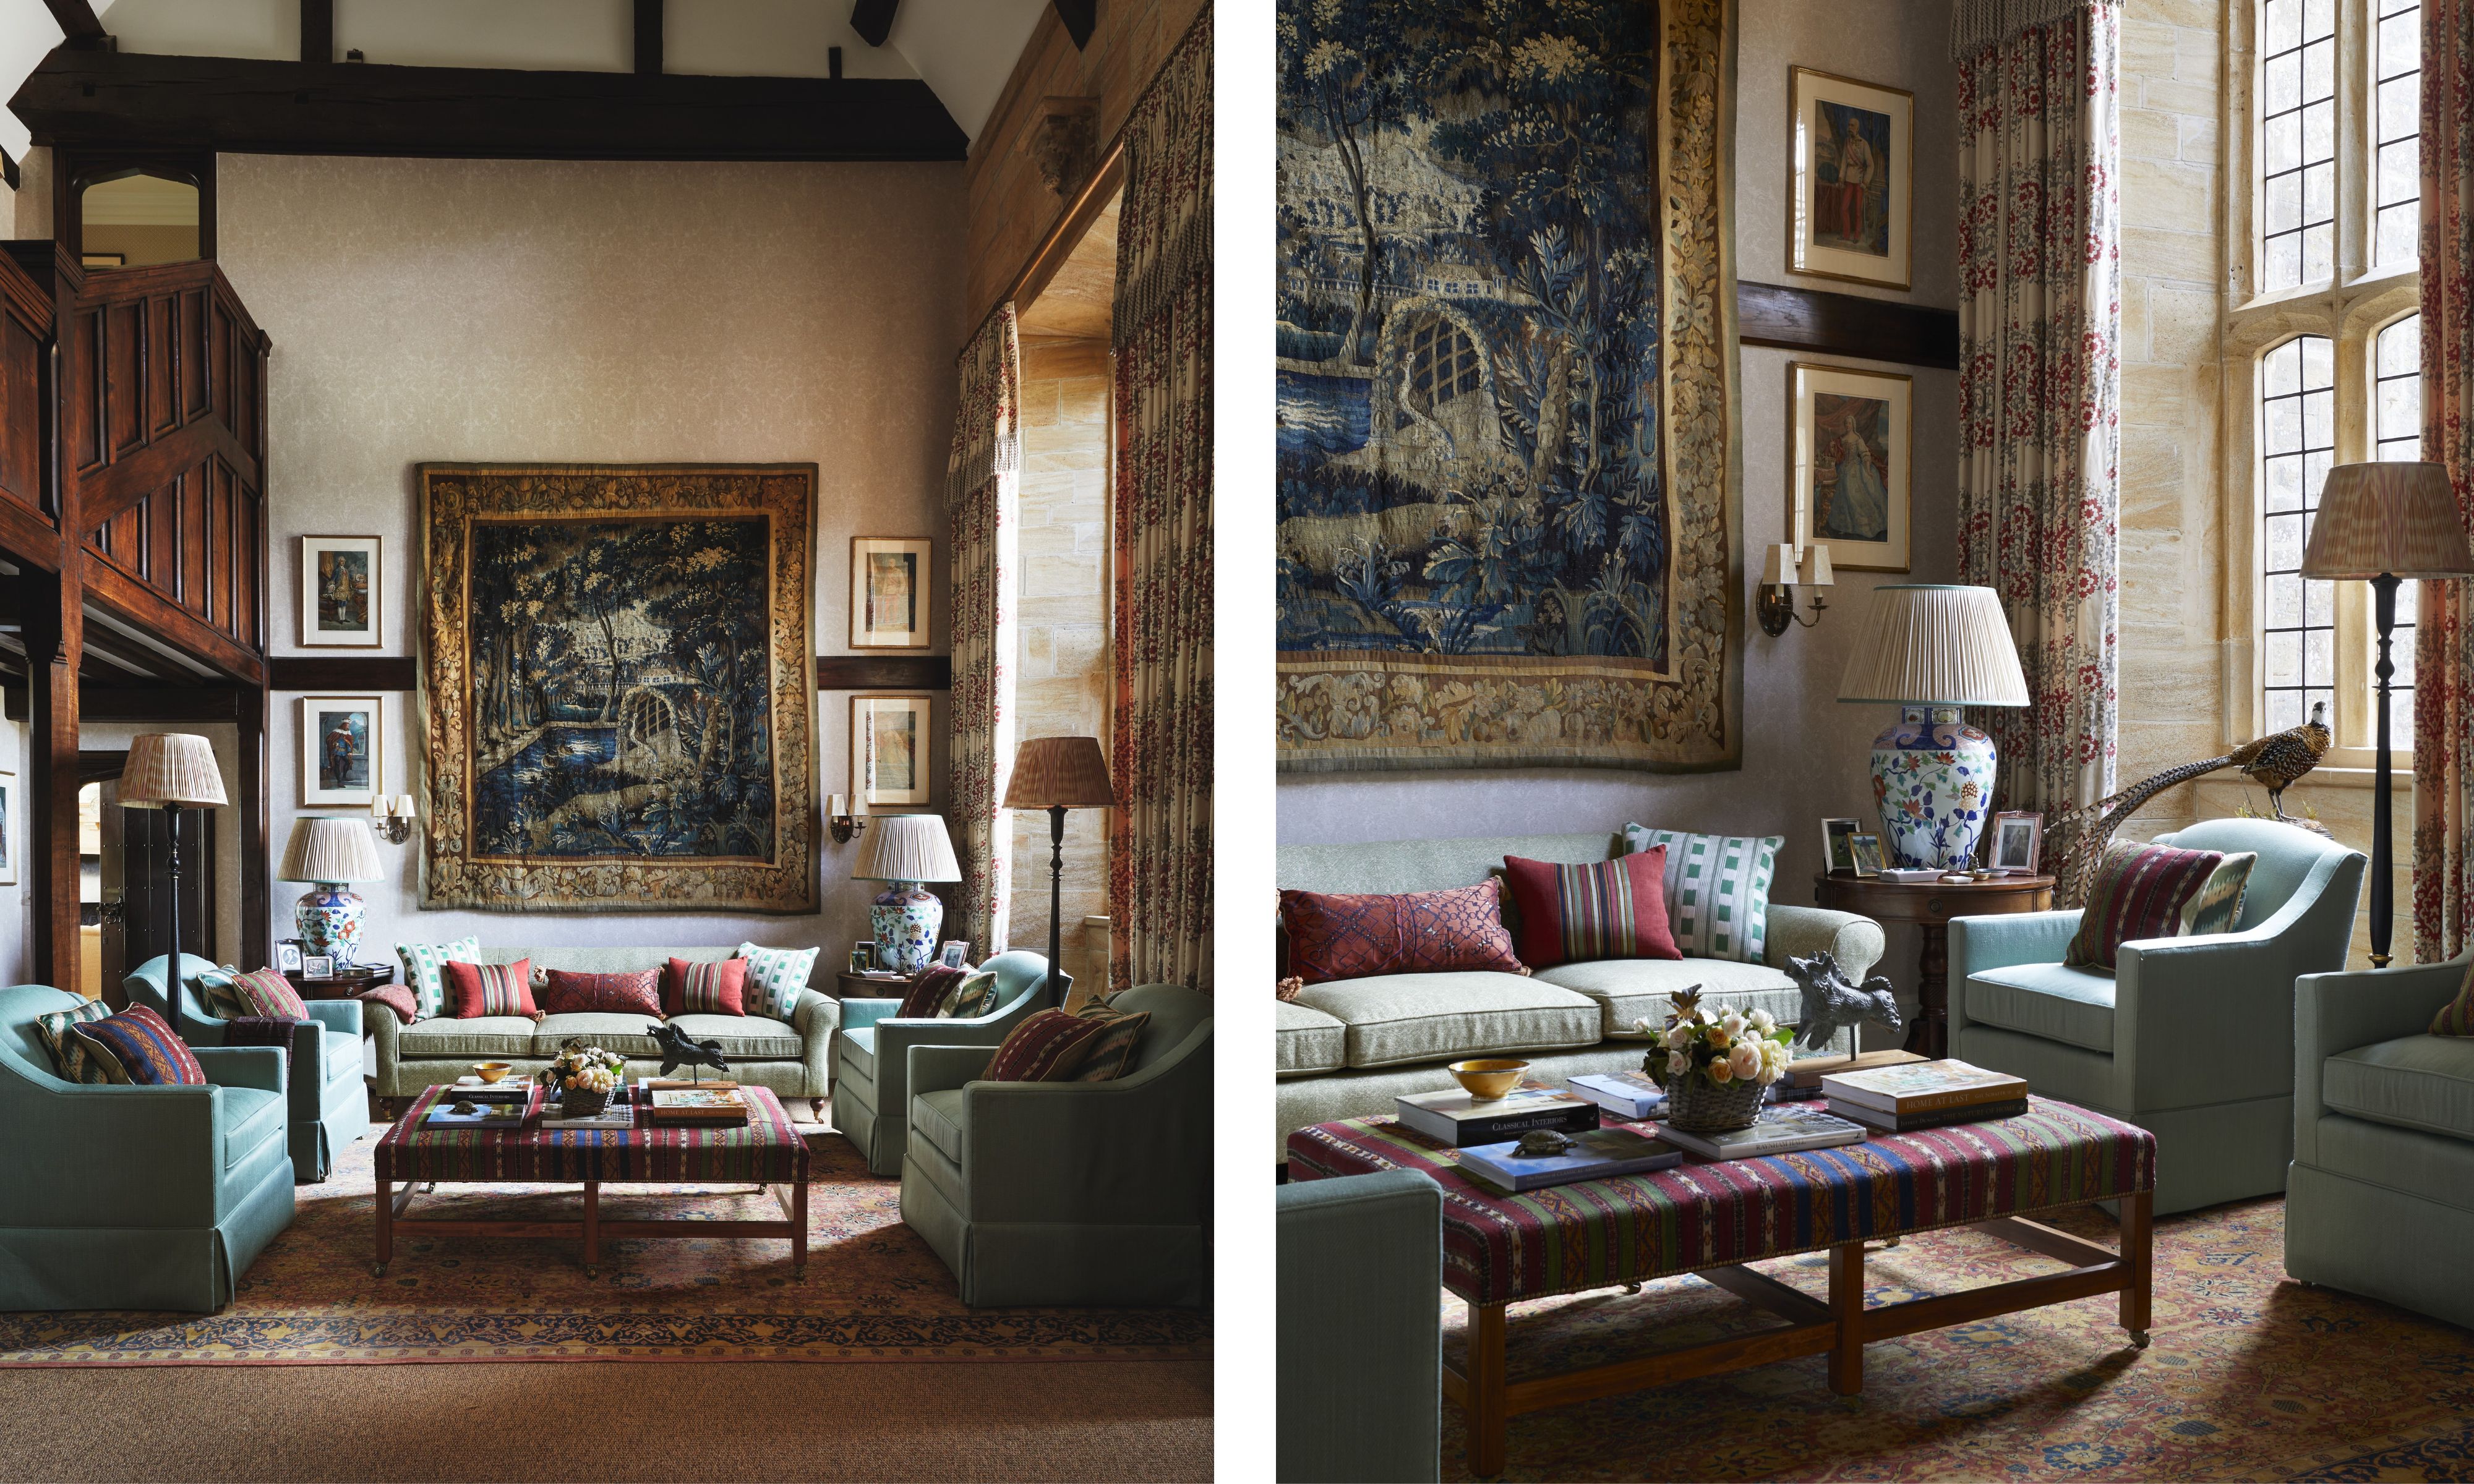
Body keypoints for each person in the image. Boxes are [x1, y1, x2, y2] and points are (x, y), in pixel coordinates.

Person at [1822, 419, 1890, 542]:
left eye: (1849, 423)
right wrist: (1833, 448)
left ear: (1853, 425)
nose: (1847, 425)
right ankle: (1846, 525)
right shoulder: (1842, 439)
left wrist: (1868, 471)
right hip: (1844, 468)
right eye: (1846, 423)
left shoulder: (1858, 439)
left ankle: (1862, 525)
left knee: (1852, 490)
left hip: (1856, 469)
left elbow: (1865, 455)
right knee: (1842, 490)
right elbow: (1838, 456)